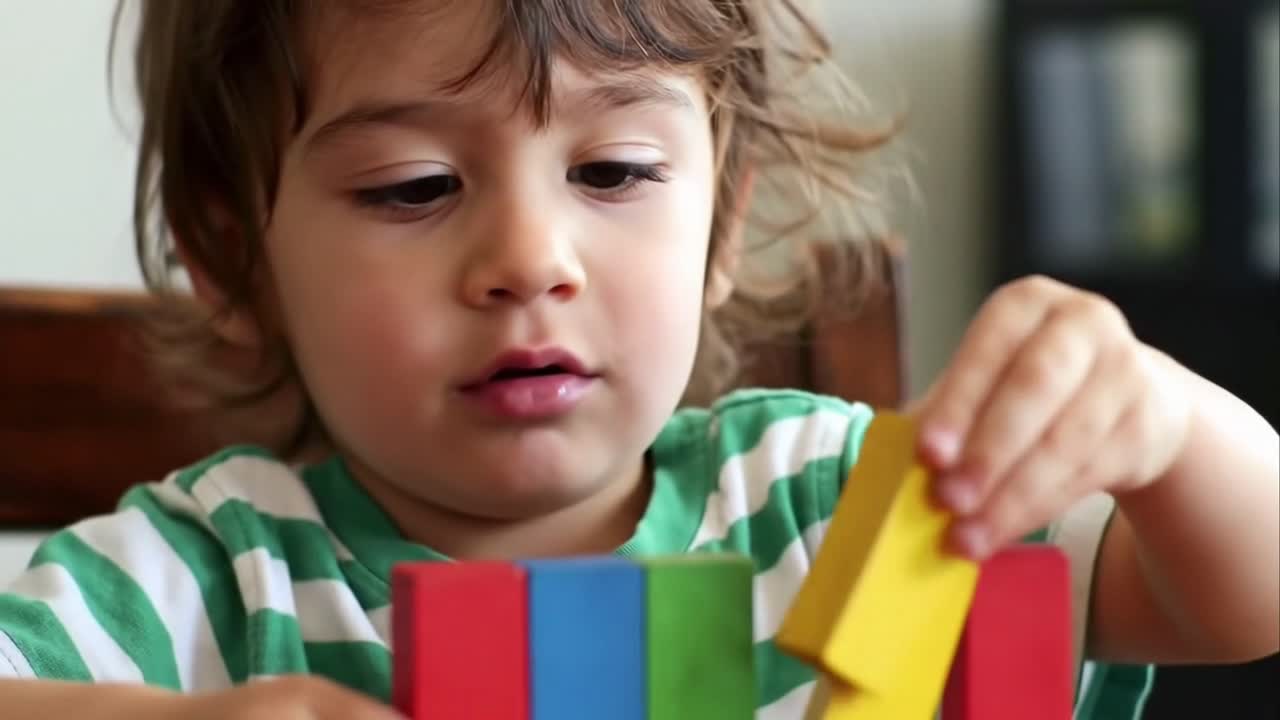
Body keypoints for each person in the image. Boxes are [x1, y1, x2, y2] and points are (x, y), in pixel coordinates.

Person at [2, 1, 1276, 718]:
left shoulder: (836, 508)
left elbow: (1242, 599)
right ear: (233, 260)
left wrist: (1158, 425)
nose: (528, 258)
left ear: (720, 227)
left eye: (611, 172)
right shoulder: (198, 586)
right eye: (414, 186)